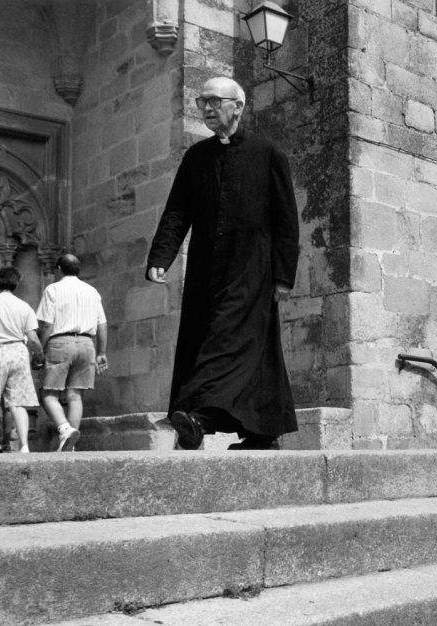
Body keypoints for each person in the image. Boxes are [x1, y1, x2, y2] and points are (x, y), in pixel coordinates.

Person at [146, 75, 299, 451]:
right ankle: (262, 432)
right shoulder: (196, 158)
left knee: (226, 341)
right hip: (205, 270)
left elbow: (286, 218)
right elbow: (177, 212)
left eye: (215, 101)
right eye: (202, 103)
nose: (208, 108)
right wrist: (161, 256)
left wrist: (283, 274)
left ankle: (199, 416)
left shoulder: (268, 154)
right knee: (244, 347)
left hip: (253, 269)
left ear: (239, 106)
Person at [36, 254, 109, 452]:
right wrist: (101, 352)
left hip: (60, 342)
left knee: (48, 394)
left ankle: (64, 428)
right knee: (75, 395)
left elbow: (47, 325)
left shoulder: (53, 289)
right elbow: (102, 324)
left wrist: (40, 350)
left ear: (59, 268)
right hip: (87, 344)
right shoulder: (92, 291)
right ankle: (70, 444)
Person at [0, 266, 45, 454]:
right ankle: (24, 445)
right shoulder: (24, 306)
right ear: (16, 284)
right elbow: (32, 338)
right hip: (17, 351)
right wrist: (39, 357)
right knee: (17, 402)